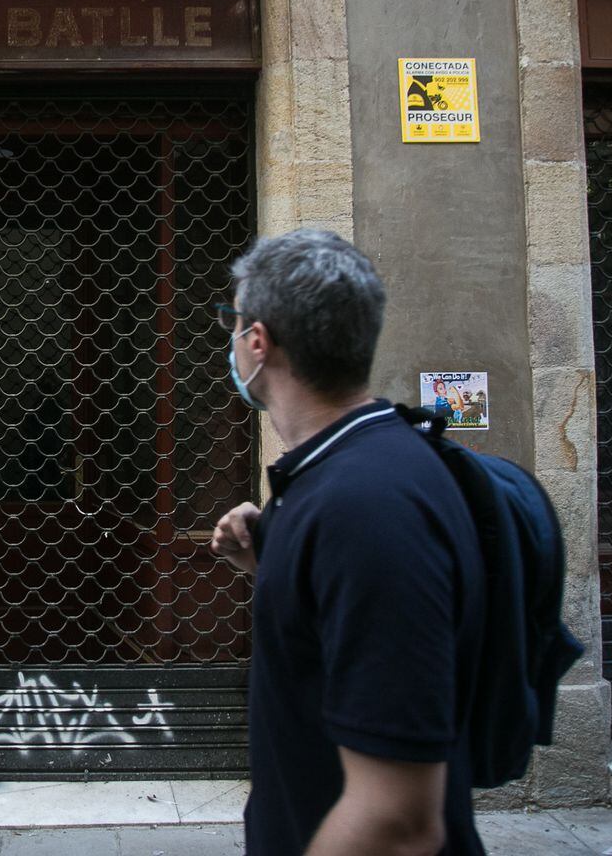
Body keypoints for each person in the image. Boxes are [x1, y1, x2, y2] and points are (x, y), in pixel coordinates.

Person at [210, 229, 486, 856]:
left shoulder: (365, 508)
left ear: (258, 342)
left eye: (235, 323)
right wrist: (272, 564)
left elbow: (397, 821)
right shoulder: (349, 473)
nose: (231, 341)